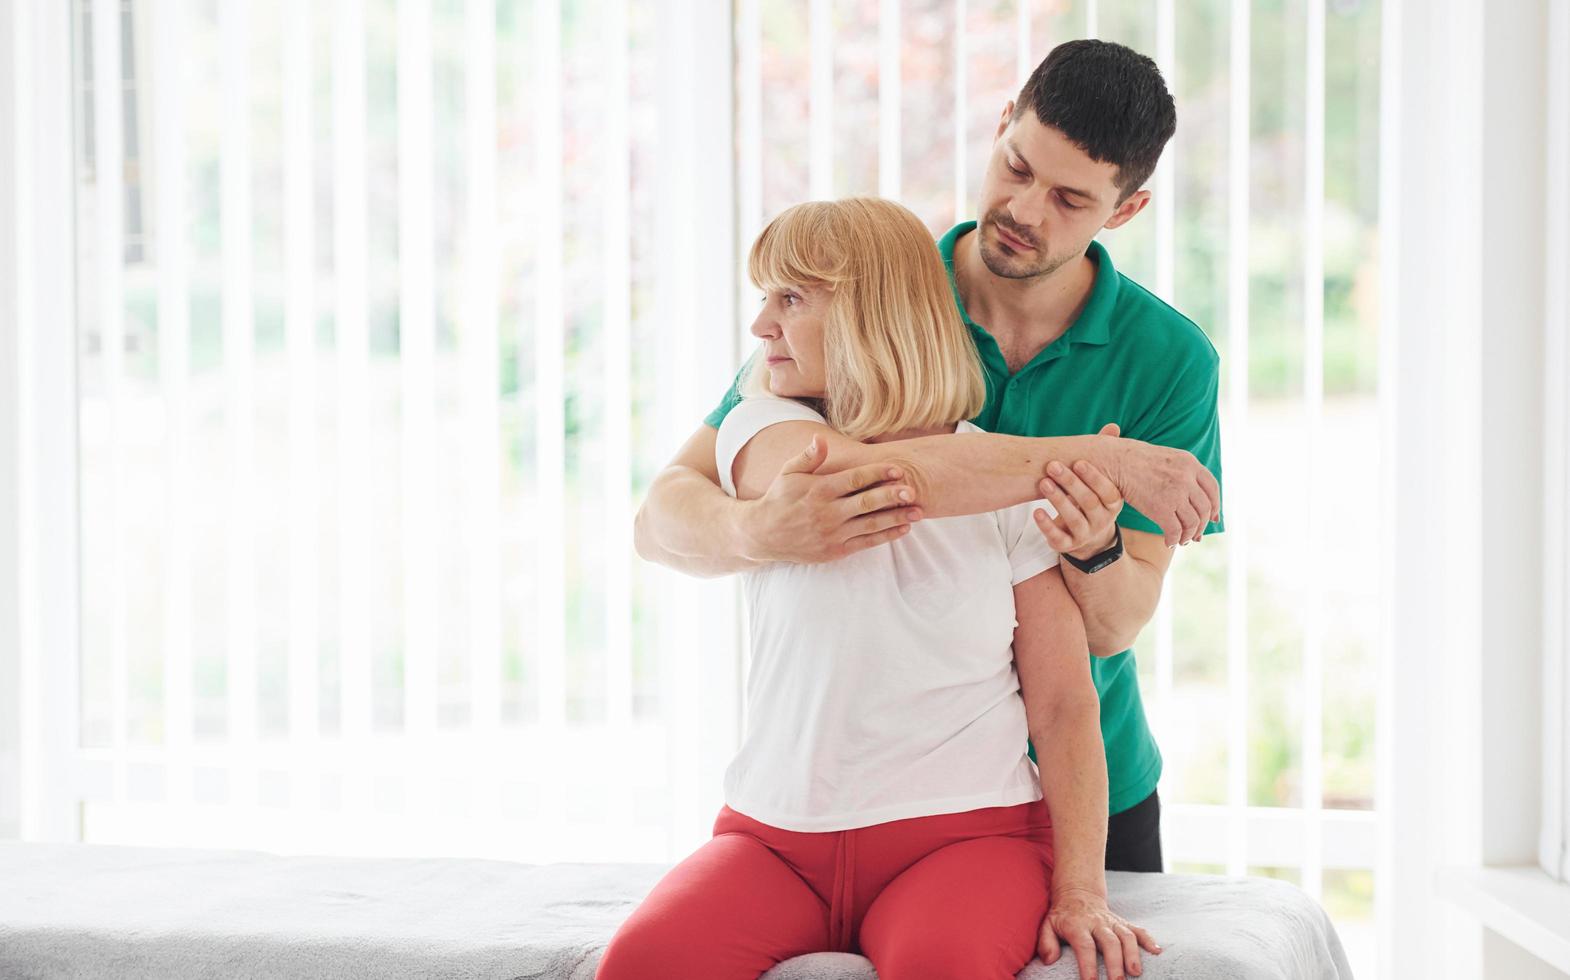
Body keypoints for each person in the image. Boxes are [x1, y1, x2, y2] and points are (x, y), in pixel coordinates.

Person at [636, 39, 1223, 882]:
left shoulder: (1171, 362)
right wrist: (760, 528)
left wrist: (1092, 547)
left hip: (1086, 781)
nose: (1025, 208)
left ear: (1124, 212)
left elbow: (1115, 624)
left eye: (1069, 199)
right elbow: (662, 519)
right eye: (1016, 167)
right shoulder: (875, 295)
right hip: (888, 800)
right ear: (998, 130)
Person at [601, 197, 1159, 980]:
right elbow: (868, 478)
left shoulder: (1008, 490)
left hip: (966, 840)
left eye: (790, 299)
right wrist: (1107, 463)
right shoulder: (760, 434)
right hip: (772, 842)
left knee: (943, 965)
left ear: (873, 314)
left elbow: (1065, 706)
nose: (762, 326)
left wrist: (1081, 890)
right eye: (764, 298)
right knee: (642, 963)